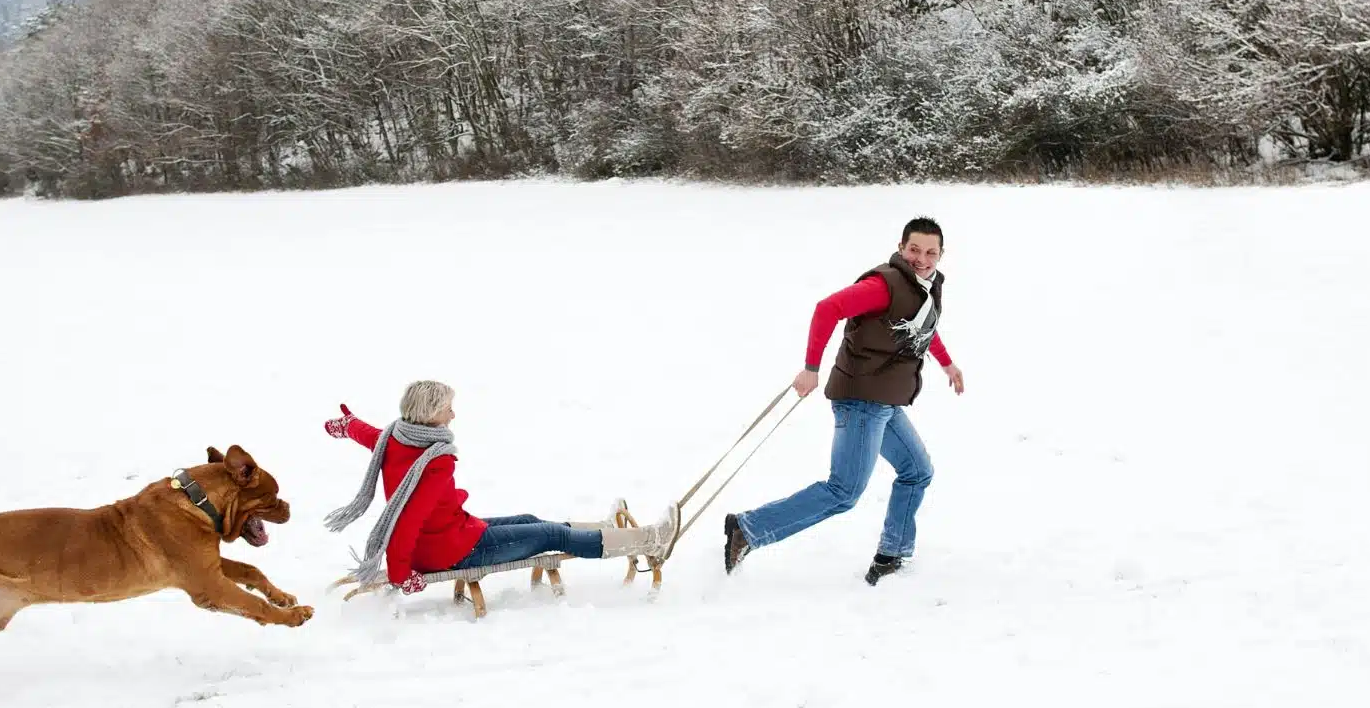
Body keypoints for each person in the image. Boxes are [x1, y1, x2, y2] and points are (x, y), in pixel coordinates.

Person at [723, 217, 965, 585]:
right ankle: (748, 529)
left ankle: (892, 554)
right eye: (914, 249)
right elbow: (827, 309)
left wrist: (947, 365)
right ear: (901, 248)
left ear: (941, 255)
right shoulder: (884, 285)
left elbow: (922, 328)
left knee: (917, 471)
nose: (922, 258)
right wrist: (810, 367)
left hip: (884, 402)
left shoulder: (923, 288)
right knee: (844, 491)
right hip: (862, 401)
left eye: (931, 252)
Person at [321, 380, 672, 593]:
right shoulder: (436, 461)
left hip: (450, 532)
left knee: (529, 518)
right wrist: (400, 575)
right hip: (452, 551)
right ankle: (649, 540)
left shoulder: (396, 436)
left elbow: (367, 434)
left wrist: (346, 425)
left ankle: (607, 531)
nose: (453, 415)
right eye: (448, 409)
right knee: (552, 536)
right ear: (429, 415)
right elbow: (408, 520)